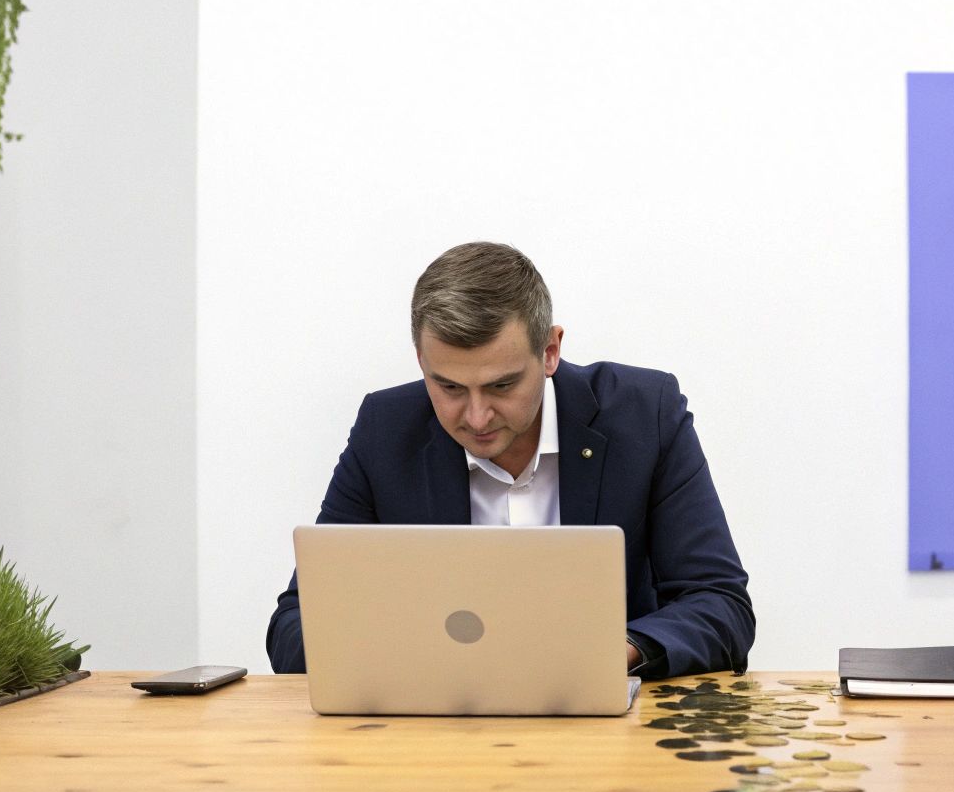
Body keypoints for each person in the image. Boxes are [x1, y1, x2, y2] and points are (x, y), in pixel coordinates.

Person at [265, 242, 754, 679]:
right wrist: (415, 656)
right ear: (420, 362)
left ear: (550, 351)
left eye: (502, 385)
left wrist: (612, 652)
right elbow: (295, 625)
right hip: (431, 736)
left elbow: (721, 605)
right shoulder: (385, 429)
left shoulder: (646, 414)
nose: (476, 416)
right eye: (449, 387)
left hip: (608, 738)